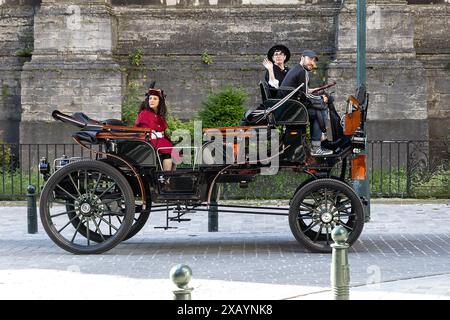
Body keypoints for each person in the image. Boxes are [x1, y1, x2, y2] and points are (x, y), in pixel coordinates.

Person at [278, 49, 333, 156]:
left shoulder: (297, 69)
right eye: (310, 59)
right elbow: (305, 95)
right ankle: (317, 146)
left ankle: (320, 138)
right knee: (320, 113)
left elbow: (302, 90)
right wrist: (321, 98)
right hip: (291, 109)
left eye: (314, 61)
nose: (312, 63)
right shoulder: (302, 72)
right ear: (302, 58)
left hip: (289, 106)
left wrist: (313, 90)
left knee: (319, 109)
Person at [135, 88, 175, 171]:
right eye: (150, 98)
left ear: (160, 101)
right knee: (169, 152)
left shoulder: (159, 116)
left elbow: (161, 129)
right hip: (147, 140)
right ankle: (166, 178)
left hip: (157, 139)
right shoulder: (144, 114)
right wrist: (159, 134)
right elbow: (141, 130)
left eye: (155, 99)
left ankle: (171, 178)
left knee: (175, 154)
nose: (151, 101)